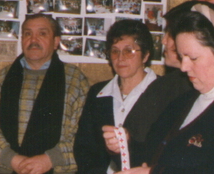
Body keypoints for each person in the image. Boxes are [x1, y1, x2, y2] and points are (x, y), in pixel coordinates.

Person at [112, 3, 214, 174]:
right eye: (182, 57)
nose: (183, 67)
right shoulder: (188, 98)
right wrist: (125, 146)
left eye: (193, 58)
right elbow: (152, 153)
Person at [0, 14, 90, 174]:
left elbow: (84, 131)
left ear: (56, 42)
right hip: (9, 169)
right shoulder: (4, 77)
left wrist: (50, 159)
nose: (33, 39)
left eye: (42, 34)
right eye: (28, 34)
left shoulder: (74, 80)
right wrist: (13, 160)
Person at [73, 20, 190, 173]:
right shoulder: (98, 92)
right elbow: (84, 148)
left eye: (129, 51)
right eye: (115, 51)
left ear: (146, 55)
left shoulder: (167, 92)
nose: (120, 58)